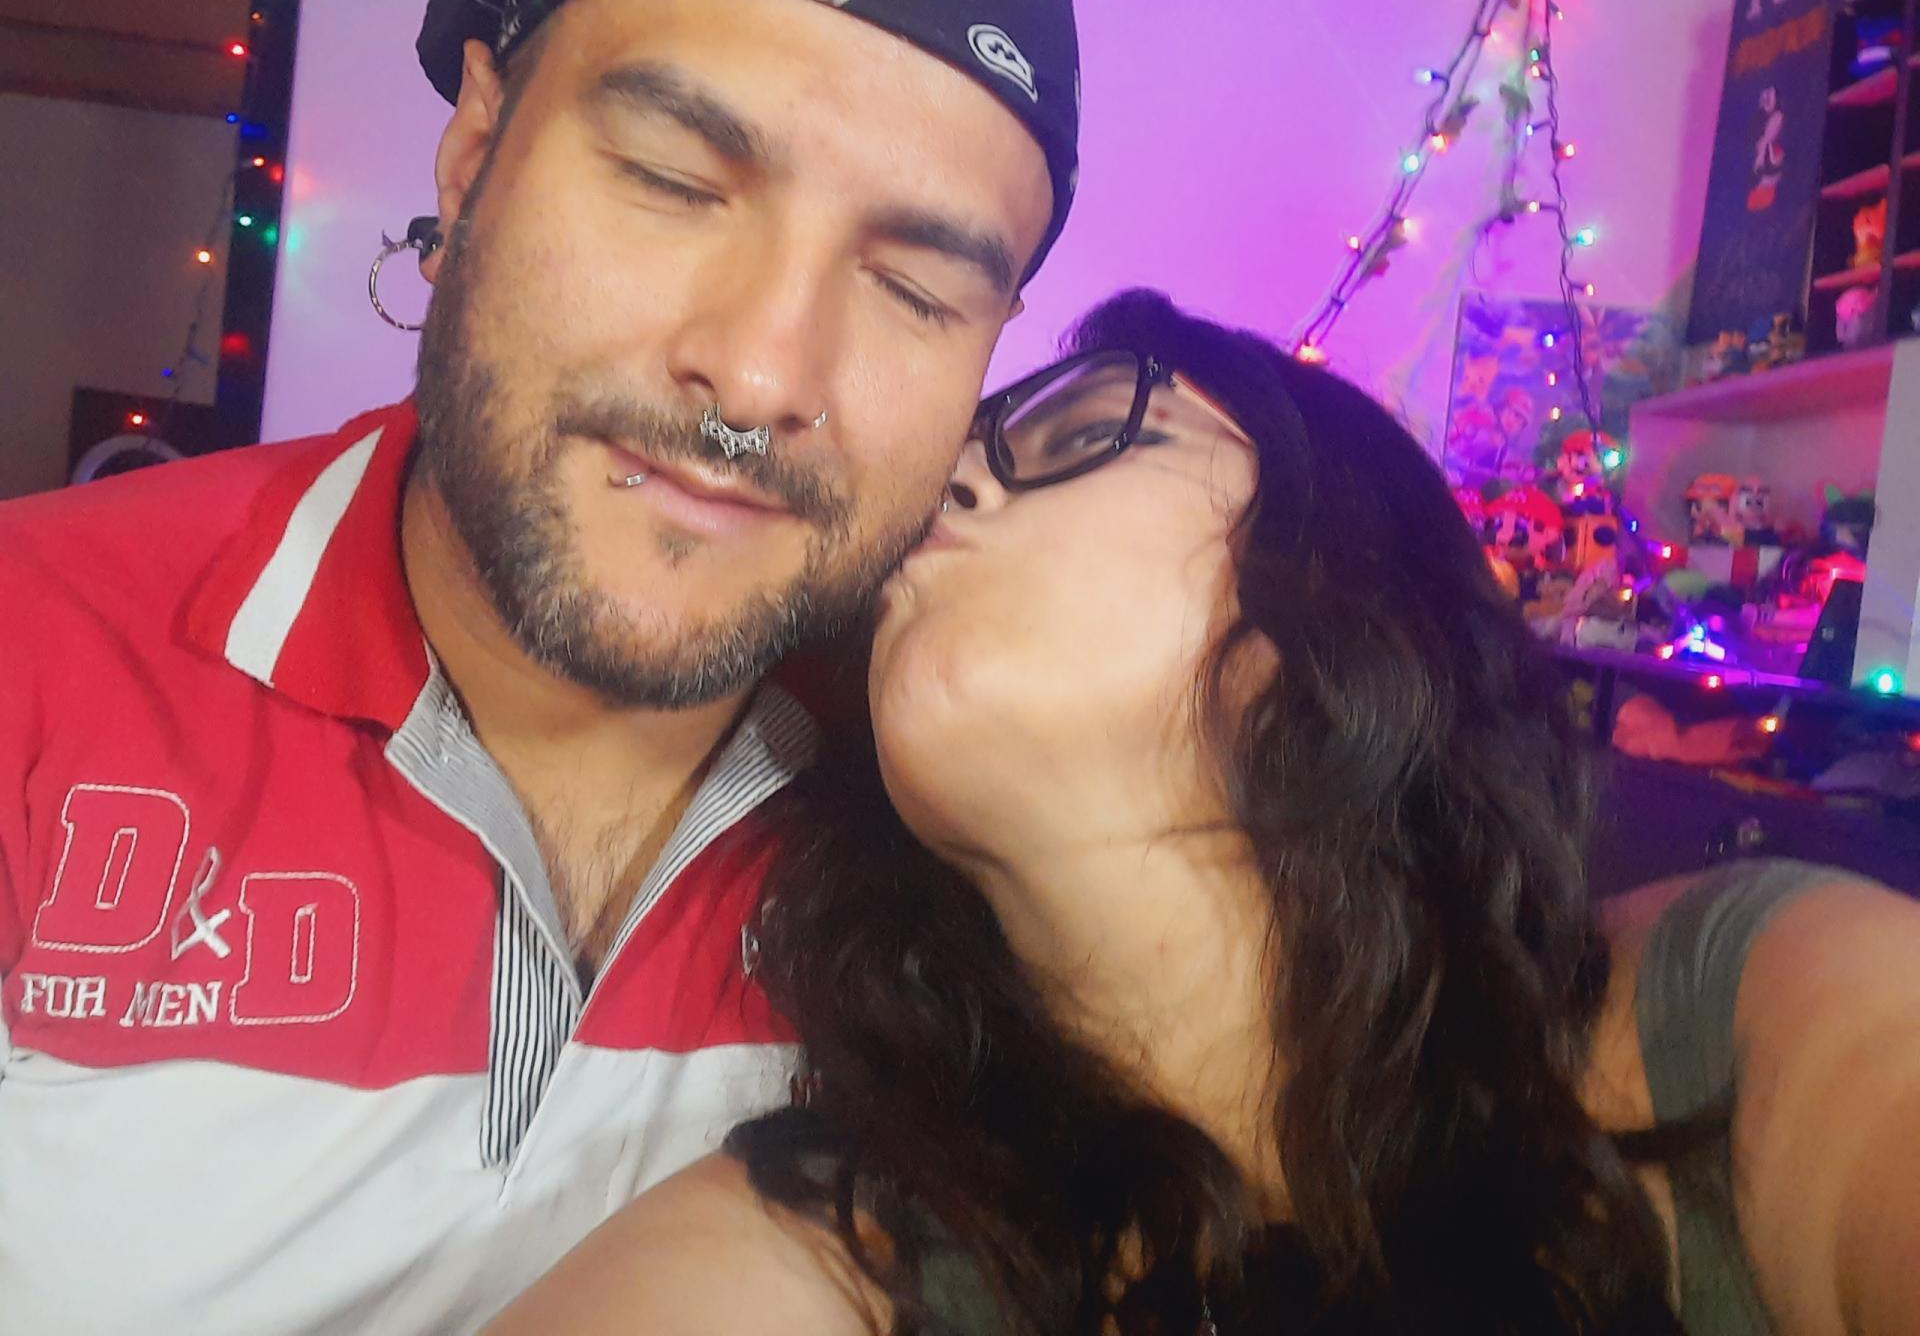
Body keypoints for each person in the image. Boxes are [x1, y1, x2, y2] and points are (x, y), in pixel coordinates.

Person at [0, 0, 1078, 1328]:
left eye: (914, 290)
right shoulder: (33, 644)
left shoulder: (964, 827)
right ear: (473, 154)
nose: (762, 375)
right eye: (672, 183)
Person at [495, 291, 1920, 1334]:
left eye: (1076, 429)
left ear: (1334, 587)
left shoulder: (1742, 1014)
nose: (949, 479)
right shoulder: (838, 1246)